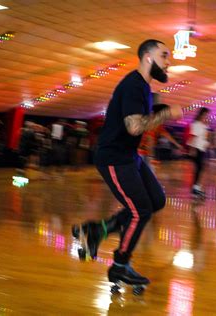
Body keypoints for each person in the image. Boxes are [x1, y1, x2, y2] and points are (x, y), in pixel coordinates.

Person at [72, 39, 183, 287]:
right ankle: (120, 266)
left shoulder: (143, 87)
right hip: (113, 157)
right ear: (147, 58)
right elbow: (134, 127)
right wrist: (166, 113)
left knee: (157, 200)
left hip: (129, 156)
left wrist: (159, 110)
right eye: (164, 56)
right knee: (140, 211)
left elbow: (140, 122)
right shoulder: (134, 85)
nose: (168, 62)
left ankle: (98, 230)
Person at [138, 93, 183, 170]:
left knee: (147, 174)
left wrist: (177, 144)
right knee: (146, 174)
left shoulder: (158, 124)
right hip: (140, 152)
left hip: (143, 152)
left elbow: (165, 134)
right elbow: (150, 139)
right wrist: (151, 157)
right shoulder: (153, 123)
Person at [187, 107, 210, 197]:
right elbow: (193, 137)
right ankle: (195, 189)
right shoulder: (196, 124)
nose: (206, 116)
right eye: (205, 115)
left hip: (202, 149)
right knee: (199, 169)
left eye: (207, 115)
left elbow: (204, 137)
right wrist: (192, 150)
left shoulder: (204, 125)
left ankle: (196, 188)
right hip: (197, 149)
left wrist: (207, 143)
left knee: (200, 169)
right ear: (201, 114)